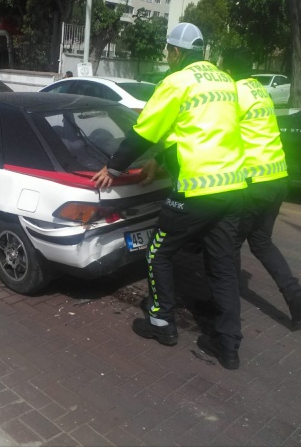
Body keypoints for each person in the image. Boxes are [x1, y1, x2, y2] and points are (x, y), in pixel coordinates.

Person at [91, 22, 247, 370]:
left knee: (158, 252)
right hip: (233, 187)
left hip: (196, 190)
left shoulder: (178, 81)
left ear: (176, 52)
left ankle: (161, 322)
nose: (167, 57)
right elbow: (202, 132)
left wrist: (114, 167)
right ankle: (228, 346)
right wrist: (162, 160)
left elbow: (144, 131)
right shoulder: (225, 81)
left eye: (168, 51)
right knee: (223, 267)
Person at [223, 53, 301, 328]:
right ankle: (297, 299)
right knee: (262, 242)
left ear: (228, 71)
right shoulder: (259, 90)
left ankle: (225, 306)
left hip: (254, 181)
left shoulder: (234, 94)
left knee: (228, 244)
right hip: (277, 177)